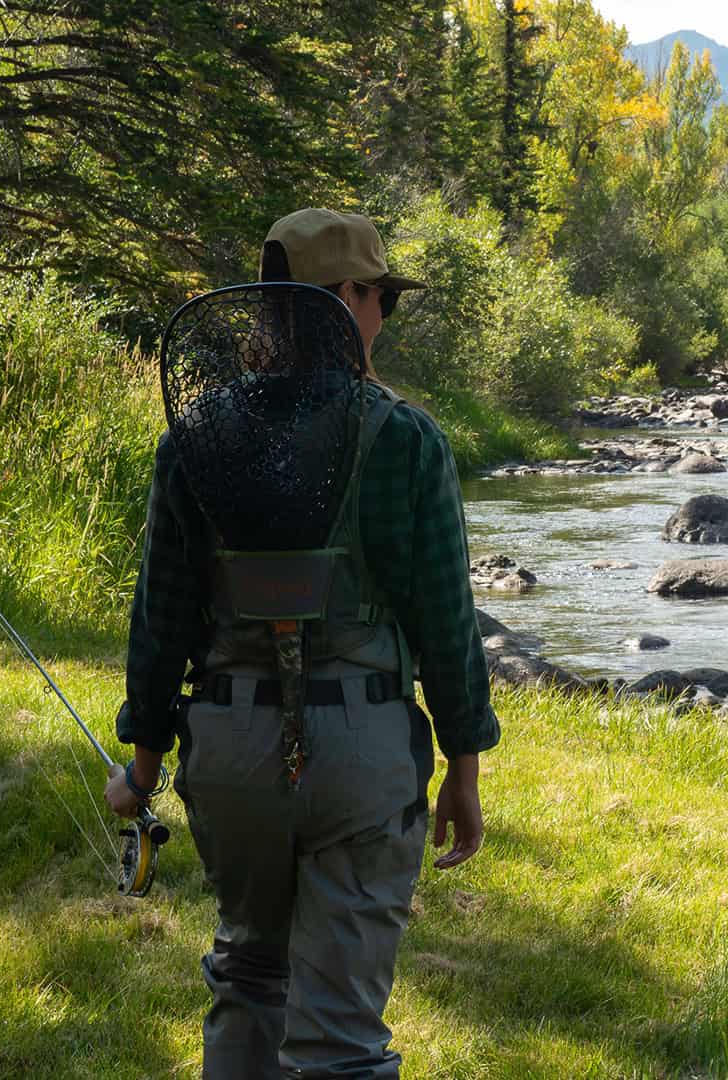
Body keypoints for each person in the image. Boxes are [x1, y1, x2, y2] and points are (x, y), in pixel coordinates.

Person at [106, 208, 500, 1078]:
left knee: (247, 972)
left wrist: (140, 770)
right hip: (360, 758)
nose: (384, 318)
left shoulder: (195, 437)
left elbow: (161, 618)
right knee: (341, 1041)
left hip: (230, 750)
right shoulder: (406, 439)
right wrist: (465, 771)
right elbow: (446, 623)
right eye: (381, 298)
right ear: (348, 299)